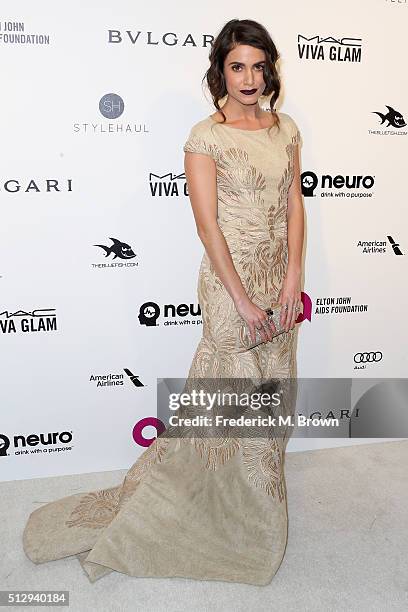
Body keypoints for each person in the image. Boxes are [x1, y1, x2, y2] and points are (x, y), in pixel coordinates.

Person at [22, 18, 304, 586]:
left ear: (269, 69)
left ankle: (253, 504)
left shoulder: (286, 127)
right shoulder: (206, 136)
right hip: (233, 286)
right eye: (236, 66)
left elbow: (296, 202)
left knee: (271, 396)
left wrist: (294, 275)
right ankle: (220, 514)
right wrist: (243, 301)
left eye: (257, 65)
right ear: (220, 71)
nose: (248, 78)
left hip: (280, 283)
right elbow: (208, 228)